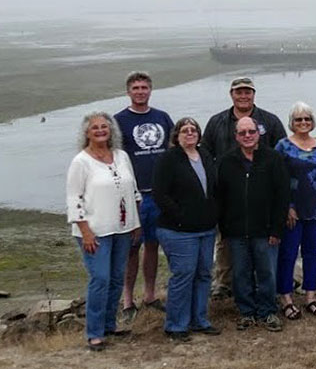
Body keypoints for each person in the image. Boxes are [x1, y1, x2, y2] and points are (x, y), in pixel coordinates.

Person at [203, 77, 287, 298]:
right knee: (226, 242)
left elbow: (283, 153)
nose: (243, 96)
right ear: (231, 94)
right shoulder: (216, 122)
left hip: (263, 196)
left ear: (254, 94)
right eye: (239, 92)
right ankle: (224, 283)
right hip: (228, 194)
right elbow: (205, 156)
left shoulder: (270, 121)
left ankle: (269, 286)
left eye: (247, 92)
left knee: (266, 243)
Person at [67, 112, 142, 351]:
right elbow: (74, 198)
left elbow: (133, 191)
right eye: (95, 127)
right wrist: (85, 231)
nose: (100, 130)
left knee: (116, 278)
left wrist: (135, 222)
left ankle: (110, 324)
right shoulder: (81, 161)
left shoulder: (121, 156)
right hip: (95, 232)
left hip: (122, 229)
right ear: (86, 133)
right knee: (100, 279)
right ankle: (94, 332)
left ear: (112, 131)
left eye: (104, 127)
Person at [213, 117, 291, 332]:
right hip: (236, 231)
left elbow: (282, 196)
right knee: (240, 273)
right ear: (236, 136)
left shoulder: (273, 159)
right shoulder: (226, 161)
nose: (247, 136)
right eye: (242, 133)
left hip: (265, 230)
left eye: (251, 132)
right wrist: (224, 227)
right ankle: (246, 312)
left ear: (258, 134)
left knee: (267, 273)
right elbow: (220, 197)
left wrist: (277, 228)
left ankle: (267, 312)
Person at [113, 72, 173, 324]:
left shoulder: (162, 118)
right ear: (128, 91)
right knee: (131, 248)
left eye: (144, 87)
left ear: (150, 90)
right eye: (135, 88)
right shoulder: (118, 121)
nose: (140, 91)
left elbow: (173, 150)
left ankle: (149, 295)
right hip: (133, 197)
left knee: (152, 245)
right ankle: (128, 300)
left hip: (159, 194)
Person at [153, 117, 220, 343]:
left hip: (206, 229)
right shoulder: (169, 159)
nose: (190, 133)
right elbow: (160, 194)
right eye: (185, 130)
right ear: (176, 135)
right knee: (183, 275)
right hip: (178, 231)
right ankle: (176, 325)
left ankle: (199, 320)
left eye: (194, 130)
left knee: (204, 274)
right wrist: (180, 216)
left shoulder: (205, 155)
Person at [273, 103, 316, 320]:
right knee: (288, 255)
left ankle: (310, 295)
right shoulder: (282, 146)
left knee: (312, 254)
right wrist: (287, 207)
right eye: (298, 120)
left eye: (307, 119)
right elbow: (277, 181)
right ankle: (286, 298)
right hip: (292, 212)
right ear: (292, 122)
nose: (303, 123)